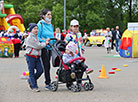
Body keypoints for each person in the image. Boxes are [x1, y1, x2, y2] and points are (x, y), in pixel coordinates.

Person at [25, 23, 49, 92]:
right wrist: (45, 43)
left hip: (37, 57)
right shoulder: (30, 38)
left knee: (40, 70)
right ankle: (34, 86)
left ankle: (31, 80)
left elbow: (39, 43)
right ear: (31, 30)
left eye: (37, 28)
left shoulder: (36, 37)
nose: (36, 30)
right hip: (30, 57)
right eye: (34, 29)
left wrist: (44, 40)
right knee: (31, 71)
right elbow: (38, 46)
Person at [37, 8, 55, 89]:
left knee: (48, 65)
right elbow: (38, 37)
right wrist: (45, 40)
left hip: (50, 47)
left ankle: (46, 81)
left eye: (50, 14)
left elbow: (51, 35)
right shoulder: (40, 24)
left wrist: (55, 40)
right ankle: (47, 83)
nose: (50, 16)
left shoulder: (51, 25)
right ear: (43, 16)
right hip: (43, 47)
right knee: (46, 65)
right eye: (48, 14)